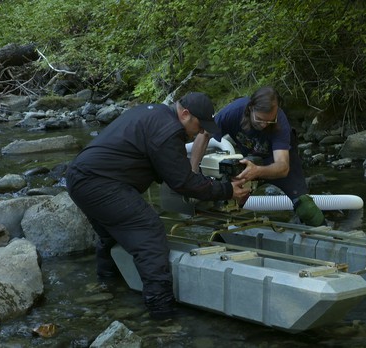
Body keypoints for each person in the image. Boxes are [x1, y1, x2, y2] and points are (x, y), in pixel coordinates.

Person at [65, 92, 250, 319]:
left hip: (81, 177)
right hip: (99, 183)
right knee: (150, 232)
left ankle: (109, 288)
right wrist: (228, 190)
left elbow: (176, 175)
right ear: (185, 114)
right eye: (199, 126)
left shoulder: (156, 114)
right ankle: (161, 314)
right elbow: (182, 182)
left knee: (112, 234)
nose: (201, 132)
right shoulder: (169, 131)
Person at [190, 86, 325, 226]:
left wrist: (258, 171)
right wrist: (193, 173)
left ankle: (328, 234)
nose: (264, 125)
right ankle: (223, 236)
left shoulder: (280, 122)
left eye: (269, 121)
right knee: (227, 203)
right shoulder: (233, 112)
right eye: (259, 119)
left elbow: (283, 166)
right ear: (250, 109)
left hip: (279, 165)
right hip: (250, 162)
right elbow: (204, 134)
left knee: (306, 208)